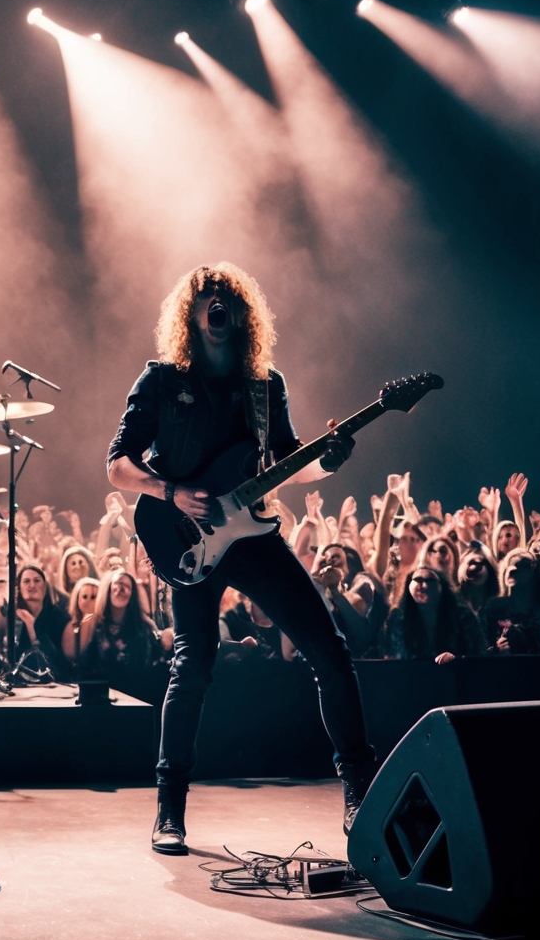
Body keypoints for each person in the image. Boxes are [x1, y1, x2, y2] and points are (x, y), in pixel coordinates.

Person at [105, 262, 376, 854]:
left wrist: (327, 460)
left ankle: (360, 790)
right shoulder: (161, 379)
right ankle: (169, 809)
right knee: (193, 665)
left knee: (329, 650)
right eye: (207, 296)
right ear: (193, 313)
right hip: (189, 536)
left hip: (251, 536)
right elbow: (117, 465)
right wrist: (170, 492)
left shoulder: (265, 385)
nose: (218, 302)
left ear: (242, 312)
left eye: (228, 295)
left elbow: (289, 461)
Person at [71, 568, 165, 702]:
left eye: (127, 586)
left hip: (137, 700)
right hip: (101, 701)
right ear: (108, 590)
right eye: (118, 584)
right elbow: (84, 666)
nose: (121, 589)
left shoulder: (145, 626)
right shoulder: (91, 624)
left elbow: (151, 669)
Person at [382, 565, 487, 662]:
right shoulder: (397, 616)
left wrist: (456, 659)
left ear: (442, 586)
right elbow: (390, 654)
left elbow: (478, 653)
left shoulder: (462, 615)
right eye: (418, 580)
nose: (424, 585)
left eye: (430, 580)